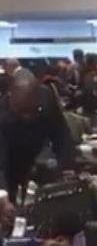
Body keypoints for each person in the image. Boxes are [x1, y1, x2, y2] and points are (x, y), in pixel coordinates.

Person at [0, 70, 74, 201]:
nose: (28, 117)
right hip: (10, 162)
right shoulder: (2, 114)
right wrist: (3, 195)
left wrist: (62, 166)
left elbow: (62, 136)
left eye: (33, 110)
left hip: (39, 162)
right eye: (23, 111)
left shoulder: (46, 98)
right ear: (11, 97)